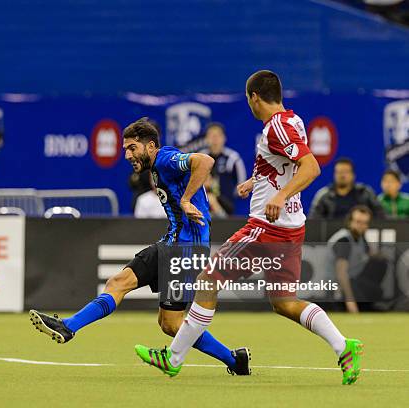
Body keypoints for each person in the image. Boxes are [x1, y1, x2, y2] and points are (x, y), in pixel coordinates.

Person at [135, 70, 363, 385]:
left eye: (248, 100)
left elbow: (311, 167)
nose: (249, 105)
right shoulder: (293, 121)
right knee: (284, 302)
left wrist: (281, 195)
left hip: (267, 228)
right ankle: (343, 346)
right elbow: (285, 165)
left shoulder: (276, 128)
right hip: (292, 228)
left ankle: (173, 358)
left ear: (254, 97)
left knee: (208, 278)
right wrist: (255, 182)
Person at [29, 117, 251, 375]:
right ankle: (68, 326)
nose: (127, 154)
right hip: (170, 243)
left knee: (170, 324)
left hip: (186, 250)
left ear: (151, 146)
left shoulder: (166, 159)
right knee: (118, 282)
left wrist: (188, 199)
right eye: (125, 149)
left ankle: (234, 360)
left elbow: (205, 161)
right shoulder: (156, 166)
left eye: (132, 148)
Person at [328, 205, 388, 312]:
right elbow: (341, 274)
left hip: (354, 280)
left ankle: (368, 304)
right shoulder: (344, 240)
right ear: (350, 221)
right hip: (336, 286)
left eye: (365, 223)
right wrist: (350, 301)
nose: (361, 226)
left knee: (380, 263)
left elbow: (371, 254)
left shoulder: (360, 237)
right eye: (358, 222)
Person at [183, 122, 247, 214]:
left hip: (226, 204)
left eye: (218, 136)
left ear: (224, 138)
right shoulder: (200, 156)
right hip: (201, 203)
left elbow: (242, 183)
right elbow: (190, 179)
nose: (215, 139)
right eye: (212, 136)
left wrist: (225, 197)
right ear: (206, 139)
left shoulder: (233, 158)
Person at [309, 158, 384, 219]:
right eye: (339, 172)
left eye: (345, 172)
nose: (342, 175)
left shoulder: (365, 193)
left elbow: (380, 216)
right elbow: (314, 221)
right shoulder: (324, 196)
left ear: (353, 175)